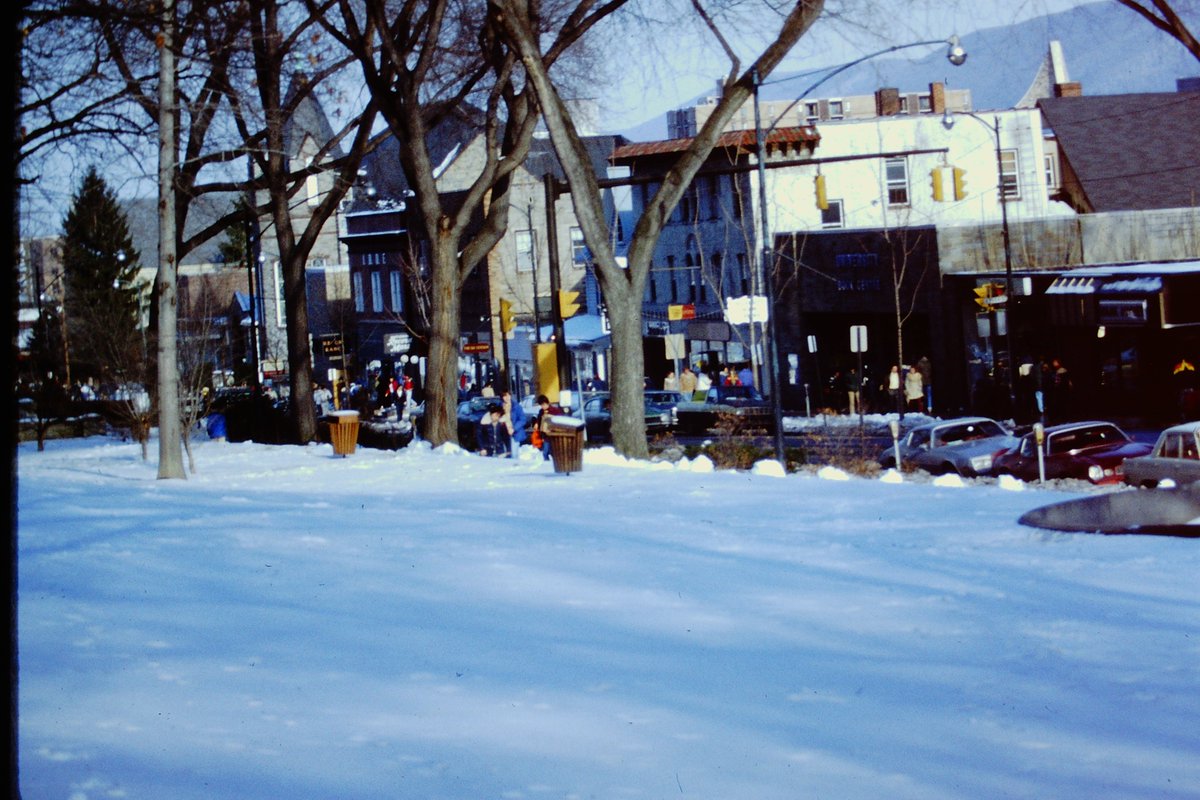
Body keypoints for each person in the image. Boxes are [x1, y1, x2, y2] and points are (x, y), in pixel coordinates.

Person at [533, 394, 562, 460]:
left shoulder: (555, 410)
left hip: (554, 435)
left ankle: (556, 464)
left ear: (547, 403)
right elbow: (539, 420)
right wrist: (537, 424)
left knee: (554, 452)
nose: (543, 406)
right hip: (545, 436)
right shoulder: (541, 412)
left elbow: (560, 420)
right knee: (545, 453)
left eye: (544, 404)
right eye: (541, 405)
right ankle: (547, 464)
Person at [501, 390, 527, 456]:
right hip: (503, 433)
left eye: (508, 395)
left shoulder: (516, 406)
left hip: (515, 433)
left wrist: (514, 428)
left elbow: (523, 419)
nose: (506, 397)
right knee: (505, 454)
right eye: (504, 396)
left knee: (514, 454)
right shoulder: (500, 406)